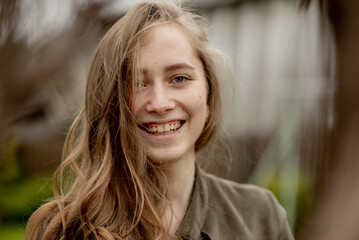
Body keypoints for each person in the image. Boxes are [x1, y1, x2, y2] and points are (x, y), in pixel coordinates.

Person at [25, 1, 294, 239]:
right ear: (108, 104)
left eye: (179, 78)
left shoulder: (260, 217)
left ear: (209, 97)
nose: (160, 103)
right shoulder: (64, 230)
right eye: (135, 83)